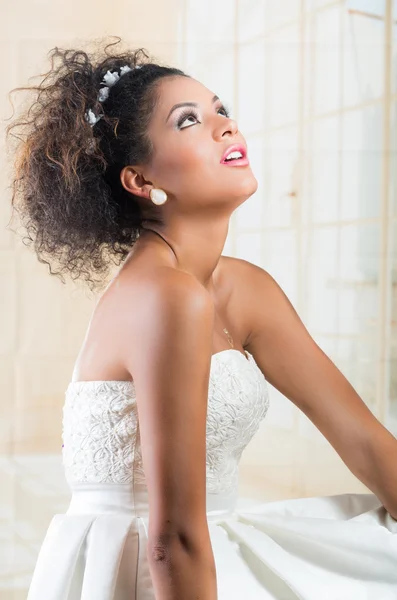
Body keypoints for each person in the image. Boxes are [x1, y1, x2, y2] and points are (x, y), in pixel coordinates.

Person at [6, 39, 397, 600]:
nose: (225, 127)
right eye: (188, 121)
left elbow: (365, 442)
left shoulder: (244, 288)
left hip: (202, 543)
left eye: (223, 110)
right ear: (141, 182)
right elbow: (170, 540)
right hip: (149, 571)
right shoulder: (166, 297)